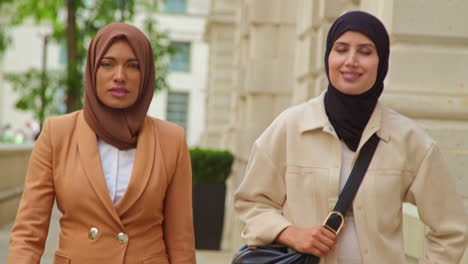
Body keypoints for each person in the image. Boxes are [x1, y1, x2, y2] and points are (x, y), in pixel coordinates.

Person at [233, 11, 468, 263]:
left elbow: (451, 230)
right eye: (341, 49)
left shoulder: (408, 140)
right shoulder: (290, 128)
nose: (351, 61)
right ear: (328, 57)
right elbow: (251, 203)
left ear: (382, 62)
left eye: (365, 52)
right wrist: (290, 233)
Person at [8, 23, 196, 264]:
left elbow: (181, 242)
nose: (120, 76)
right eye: (107, 64)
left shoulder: (172, 140)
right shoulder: (58, 133)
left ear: (146, 74)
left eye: (133, 66)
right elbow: (28, 233)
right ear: (92, 70)